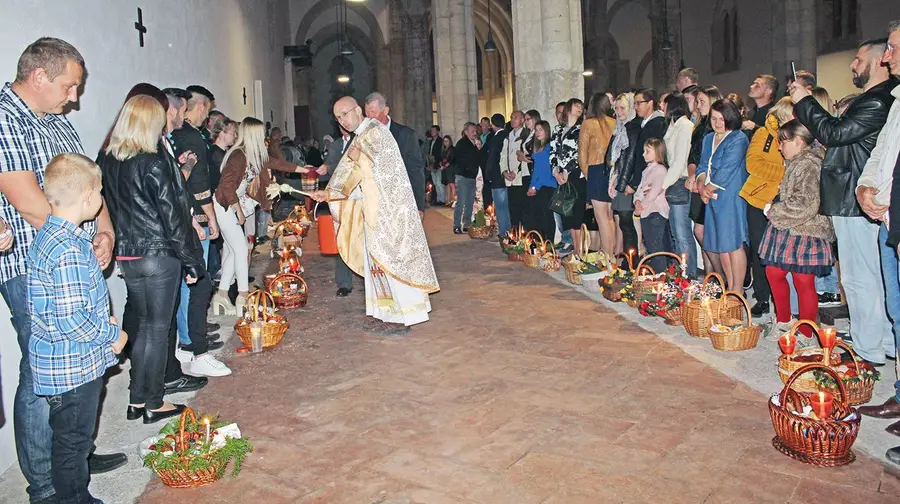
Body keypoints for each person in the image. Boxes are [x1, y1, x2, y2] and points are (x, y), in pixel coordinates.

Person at [0, 37, 127, 502]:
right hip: (34, 264)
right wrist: (78, 240)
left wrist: (106, 233)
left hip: (76, 254)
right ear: (40, 77)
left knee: (81, 372)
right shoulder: (5, 119)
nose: (74, 97)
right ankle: (47, 483)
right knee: (43, 376)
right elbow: (32, 204)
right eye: (69, 87)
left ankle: (74, 453)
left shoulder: (56, 122)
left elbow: (87, 181)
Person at [98, 94, 206, 425]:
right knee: (158, 331)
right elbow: (173, 219)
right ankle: (155, 402)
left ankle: (137, 398)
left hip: (129, 255)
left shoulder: (107, 161)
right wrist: (191, 262)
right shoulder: (155, 162)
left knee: (144, 328)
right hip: (159, 255)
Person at [28, 153, 129, 504]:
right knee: (73, 441)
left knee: (72, 437)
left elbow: (71, 304)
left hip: (67, 361)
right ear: (87, 196)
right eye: (100, 193)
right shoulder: (69, 249)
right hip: (73, 366)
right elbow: (72, 319)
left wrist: (104, 319)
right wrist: (112, 334)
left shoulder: (52, 236)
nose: (102, 200)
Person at [794, 37, 897, 365]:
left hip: (857, 199)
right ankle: (880, 341)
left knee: (860, 277)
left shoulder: (878, 101)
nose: (853, 64)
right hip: (855, 193)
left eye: (858, 59)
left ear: (878, 62)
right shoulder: (879, 98)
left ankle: (869, 351)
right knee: (866, 275)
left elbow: (835, 132)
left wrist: (804, 101)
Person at [309, 96, 439, 334]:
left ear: (358, 110)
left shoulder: (376, 132)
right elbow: (352, 176)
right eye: (338, 117)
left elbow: (388, 173)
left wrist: (361, 161)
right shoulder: (361, 136)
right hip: (372, 213)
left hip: (389, 214)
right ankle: (384, 313)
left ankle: (403, 316)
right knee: (375, 266)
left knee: (392, 262)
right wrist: (329, 194)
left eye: (345, 114)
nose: (343, 120)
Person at [212, 118, 308, 314]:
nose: (264, 137)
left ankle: (220, 296)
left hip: (233, 204)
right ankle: (242, 296)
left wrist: (305, 170)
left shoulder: (254, 155)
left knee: (232, 253)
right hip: (224, 205)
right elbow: (226, 186)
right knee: (240, 250)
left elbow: (279, 164)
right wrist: (238, 210)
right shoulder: (238, 156)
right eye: (260, 133)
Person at [858, 21, 900, 440]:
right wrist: (865, 186)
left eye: (891, 49)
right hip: (889, 217)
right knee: (898, 313)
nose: (886, 57)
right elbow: (881, 156)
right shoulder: (898, 100)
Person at [759, 120, 834, 338]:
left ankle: (807, 331)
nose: (780, 147)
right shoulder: (795, 161)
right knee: (774, 272)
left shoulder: (809, 164)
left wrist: (775, 210)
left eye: (783, 142)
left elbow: (807, 203)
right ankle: (784, 321)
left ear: (799, 142)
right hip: (790, 227)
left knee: (803, 279)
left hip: (806, 229)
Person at [740, 97, 796, 316]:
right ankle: (762, 298)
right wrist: (785, 173)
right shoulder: (764, 133)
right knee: (760, 250)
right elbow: (753, 163)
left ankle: (782, 300)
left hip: (786, 201)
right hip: (759, 198)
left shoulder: (798, 133)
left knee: (783, 254)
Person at [697, 99, 751, 290]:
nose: (718, 123)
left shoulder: (738, 139)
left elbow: (727, 170)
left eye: (722, 119)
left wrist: (708, 189)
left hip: (730, 197)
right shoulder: (708, 139)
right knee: (721, 246)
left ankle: (738, 291)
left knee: (733, 244)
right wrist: (701, 184)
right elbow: (702, 165)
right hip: (710, 195)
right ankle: (729, 287)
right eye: (713, 119)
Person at [365, 92, 427, 215]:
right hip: (374, 204)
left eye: (373, 112)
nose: (369, 117)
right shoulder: (364, 136)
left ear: (386, 110)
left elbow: (415, 171)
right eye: (366, 113)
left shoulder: (406, 135)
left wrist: (419, 205)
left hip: (401, 202)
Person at [688, 86, 724, 271]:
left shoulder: (716, 129)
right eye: (698, 101)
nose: (698, 104)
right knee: (701, 231)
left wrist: (700, 179)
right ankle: (710, 277)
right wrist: (692, 175)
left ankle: (720, 273)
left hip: (711, 184)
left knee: (704, 232)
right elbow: (693, 156)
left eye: (702, 101)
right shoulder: (700, 126)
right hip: (699, 181)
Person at [661, 92, 697, 277]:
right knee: (676, 233)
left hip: (680, 180)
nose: (661, 106)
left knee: (682, 233)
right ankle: (680, 273)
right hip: (673, 180)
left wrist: (663, 185)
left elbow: (680, 160)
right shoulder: (674, 126)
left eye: (663, 103)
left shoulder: (685, 126)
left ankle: (689, 274)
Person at [580, 93, 617, 257]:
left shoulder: (588, 124)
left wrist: (588, 176)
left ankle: (607, 256)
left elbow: (582, 155)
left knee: (601, 217)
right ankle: (611, 254)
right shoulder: (615, 122)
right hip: (611, 170)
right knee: (609, 217)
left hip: (595, 169)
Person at [551, 98, 586, 256]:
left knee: (578, 214)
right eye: (576, 105)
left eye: (581, 107)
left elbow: (579, 153)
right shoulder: (558, 130)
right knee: (568, 215)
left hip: (576, 175)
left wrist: (566, 171)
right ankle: (575, 249)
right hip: (561, 177)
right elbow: (553, 152)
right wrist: (555, 171)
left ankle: (580, 250)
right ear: (568, 108)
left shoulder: (581, 129)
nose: (579, 108)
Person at [609, 93, 641, 256]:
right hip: (620, 178)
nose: (619, 112)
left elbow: (631, 157)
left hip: (627, 180)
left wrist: (625, 184)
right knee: (623, 222)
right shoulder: (619, 128)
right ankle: (630, 260)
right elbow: (617, 158)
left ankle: (633, 262)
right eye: (616, 108)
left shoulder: (632, 127)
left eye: (623, 108)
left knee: (627, 223)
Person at [634, 138, 671, 272]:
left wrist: (641, 205)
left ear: (657, 152)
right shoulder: (646, 170)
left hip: (655, 212)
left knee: (655, 247)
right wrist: (637, 201)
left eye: (647, 151)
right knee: (650, 245)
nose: (644, 154)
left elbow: (654, 192)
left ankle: (661, 276)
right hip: (645, 211)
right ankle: (657, 275)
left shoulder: (660, 170)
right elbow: (639, 190)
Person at [526, 120, 557, 241]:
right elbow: (536, 172)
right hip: (539, 186)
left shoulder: (548, 147)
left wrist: (535, 187)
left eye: (541, 129)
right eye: (536, 130)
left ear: (546, 131)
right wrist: (531, 186)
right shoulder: (539, 147)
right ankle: (540, 242)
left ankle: (548, 243)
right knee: (538, 216)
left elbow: (545, 171)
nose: (538, 132)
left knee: (546, 217)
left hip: (547, 185)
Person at [500, 110, 530, 231]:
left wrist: (515, 172)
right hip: (509, 180)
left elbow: (524, 156)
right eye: (511, 117)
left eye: (516, 117)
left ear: (522, 120)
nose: (512, 120)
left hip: (520, 178)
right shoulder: (508, 137)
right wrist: (504, 172)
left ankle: (523, 235)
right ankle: (515, 234)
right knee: (512, 209)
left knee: (522, 209)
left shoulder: (525, 135)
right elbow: (503, 156)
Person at [453, 122, 484, 233]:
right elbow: (462, 160)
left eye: (475, 131)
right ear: (466, 132)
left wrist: (479, 148)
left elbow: (479, 159)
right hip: (463, 176)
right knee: (461, 202)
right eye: (472, 131)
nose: (475, 133)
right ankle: (456, 225)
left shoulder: (475, 144)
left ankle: (466, 224)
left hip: (472, 176)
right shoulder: (461, 144)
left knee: (470, 201)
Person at [483, 113, 510, 237]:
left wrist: (487, 175)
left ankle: (504, 232)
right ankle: (509, 231)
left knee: (500, 206)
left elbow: (492, 158)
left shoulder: (495, 138)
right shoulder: (508, 135)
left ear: (492, 125)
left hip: (496, 176)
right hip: (507, 176)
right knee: (506, 206)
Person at [439, 135, 456, 206]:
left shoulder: (452, 149)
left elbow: (452, 159)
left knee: (452, 184)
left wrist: (445, 166)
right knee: (447, 185)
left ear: (450, 141)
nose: (445, 143)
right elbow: (441, 158)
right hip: (445, 168)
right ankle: (448, 201)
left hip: (451, 168)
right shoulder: (443, 149)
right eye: (444, 141)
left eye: (447, 141)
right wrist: (440, 164)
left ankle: (454, 201)